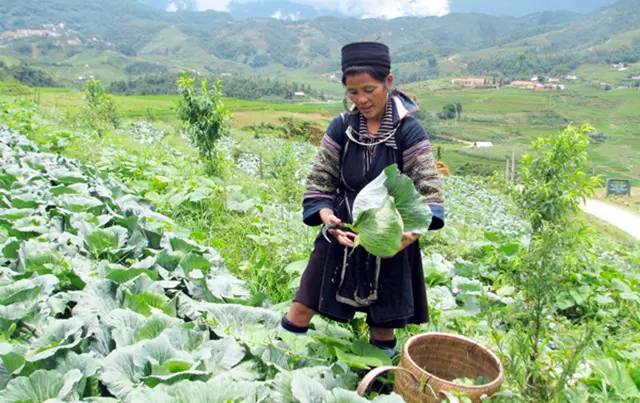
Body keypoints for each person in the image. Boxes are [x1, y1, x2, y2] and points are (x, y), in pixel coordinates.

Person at [280, 42, 445, 358]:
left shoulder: (408, 132)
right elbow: (320, 181)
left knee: (383, 321)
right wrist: (327, 218)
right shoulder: (341, 127)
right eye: (353, 92)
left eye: (369, 89)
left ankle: (378, 380)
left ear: (389, 82)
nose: (361, 99)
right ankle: (280, 361)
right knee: (303, 304)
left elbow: (428, 194)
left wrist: (402, 237)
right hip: (343, 229)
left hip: (392, 235)